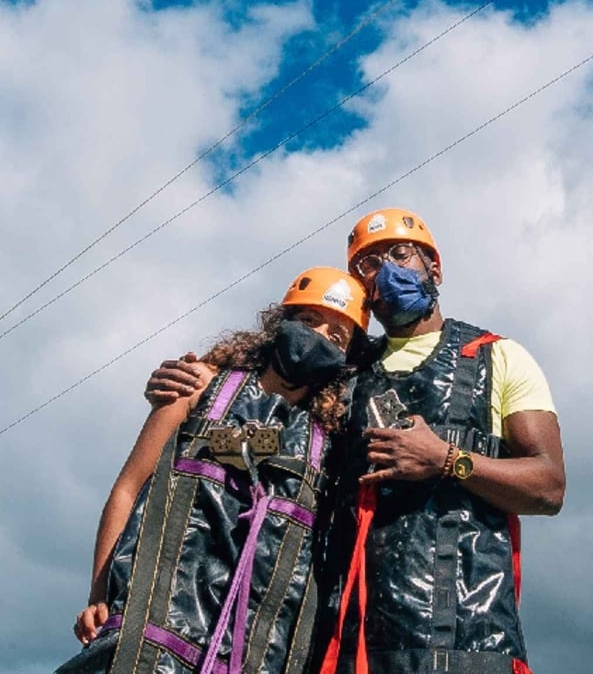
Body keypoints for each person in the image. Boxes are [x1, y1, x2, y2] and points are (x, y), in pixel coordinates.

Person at [147, 208, 565, 674]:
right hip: (345, 647)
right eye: (369, 263)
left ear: (435, 268)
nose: (387, 270)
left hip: (469, 643)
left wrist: (448, 460)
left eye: (401, 254)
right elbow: (261, 398)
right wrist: (195, 382)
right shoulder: (340, 373)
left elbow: (549, 486)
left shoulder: (497, 356)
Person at [62, 267, 369, 674]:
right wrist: (99, 595)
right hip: (150, 643)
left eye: (337, 337)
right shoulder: (199, 387)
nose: (318, 337)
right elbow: (128, 489)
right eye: (310, 320)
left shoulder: (329, 446)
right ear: (283, 321)